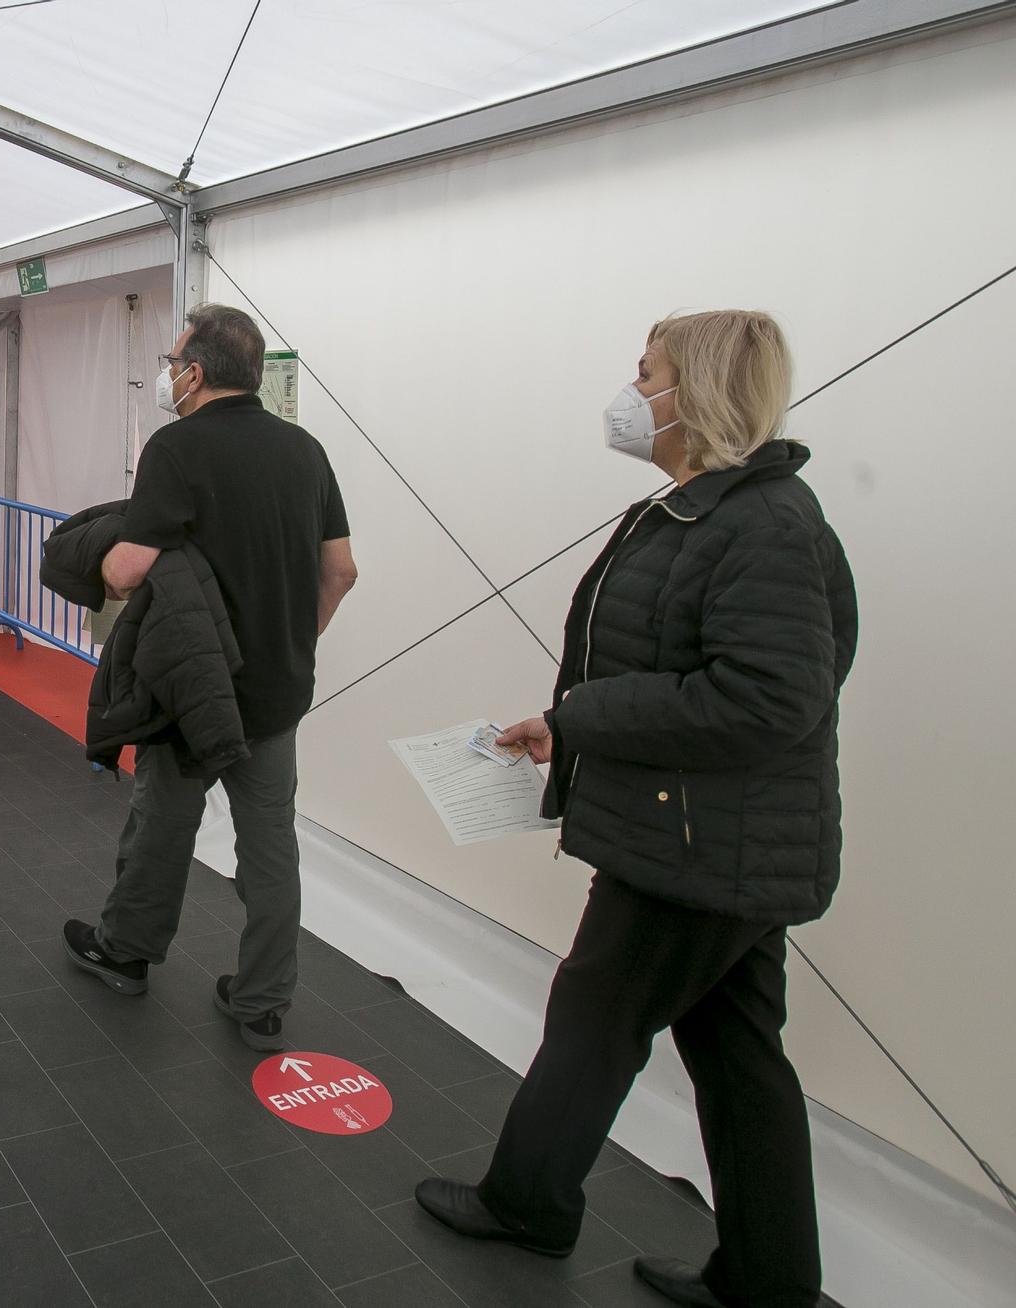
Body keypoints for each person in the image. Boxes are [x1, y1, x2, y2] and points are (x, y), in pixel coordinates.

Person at [414, 311, 857, 1308]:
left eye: (645, 373)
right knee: (736, 1056)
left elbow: (769, 698)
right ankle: (765, 1280)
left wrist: (586, 712)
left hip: (699, 851)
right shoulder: (703, 514)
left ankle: (527, 1204)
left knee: (593, 1018)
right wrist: (565, 726)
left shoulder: (761, 526)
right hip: (717, 844)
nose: (630, 392)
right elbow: (682, 672)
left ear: (691, 393)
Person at [61, 305, 357, 1052]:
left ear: (194, 373)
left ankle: (126, 951)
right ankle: (261, 1002)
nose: (166, 373)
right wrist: (290, 641)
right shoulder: (306, 450)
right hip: (277, 693)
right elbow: (342, 570)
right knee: (269, 847)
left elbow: (129, 567)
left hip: (193, 688)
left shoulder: (176, 447)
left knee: (162, 823)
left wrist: (85, 556)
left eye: (171, 360)